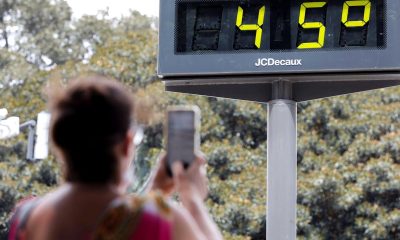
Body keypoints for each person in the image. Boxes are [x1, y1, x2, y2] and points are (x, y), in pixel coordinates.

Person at [8, 76, 223, 240]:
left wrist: (156, 193)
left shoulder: (25, 217)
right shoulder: (161, 218)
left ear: (59, 143)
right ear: (127, 143)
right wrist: (191, 198)